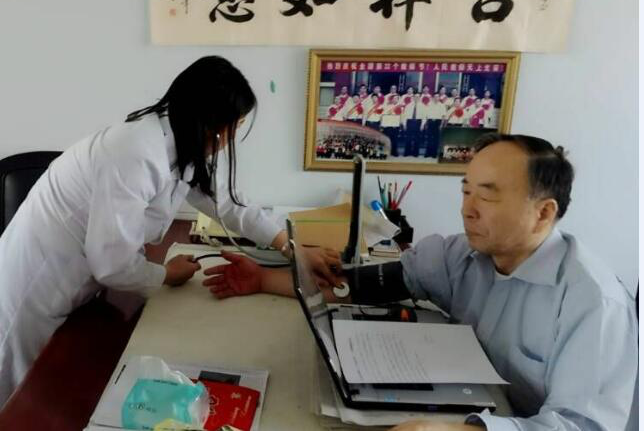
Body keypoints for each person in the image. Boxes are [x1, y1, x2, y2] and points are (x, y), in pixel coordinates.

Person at [203, 133, 638, 431]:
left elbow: (581, 426)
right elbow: (355, 286)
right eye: (465, 191)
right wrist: (263, 278)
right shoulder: (461, 255)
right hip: (469, 401)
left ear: (543, 213)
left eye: (487, 195)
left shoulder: (593, 303)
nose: (468, 209)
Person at [0, 56, 340, 409]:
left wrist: (293, 249)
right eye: (234, 126)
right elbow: (111, 265)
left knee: (51, 380)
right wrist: (165, 273)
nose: (232, 138)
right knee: (19, 393)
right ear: (209, 121)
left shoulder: (182, 141)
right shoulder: (135, 153)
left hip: (75, 273)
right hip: (35, 282)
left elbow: (229, 204)